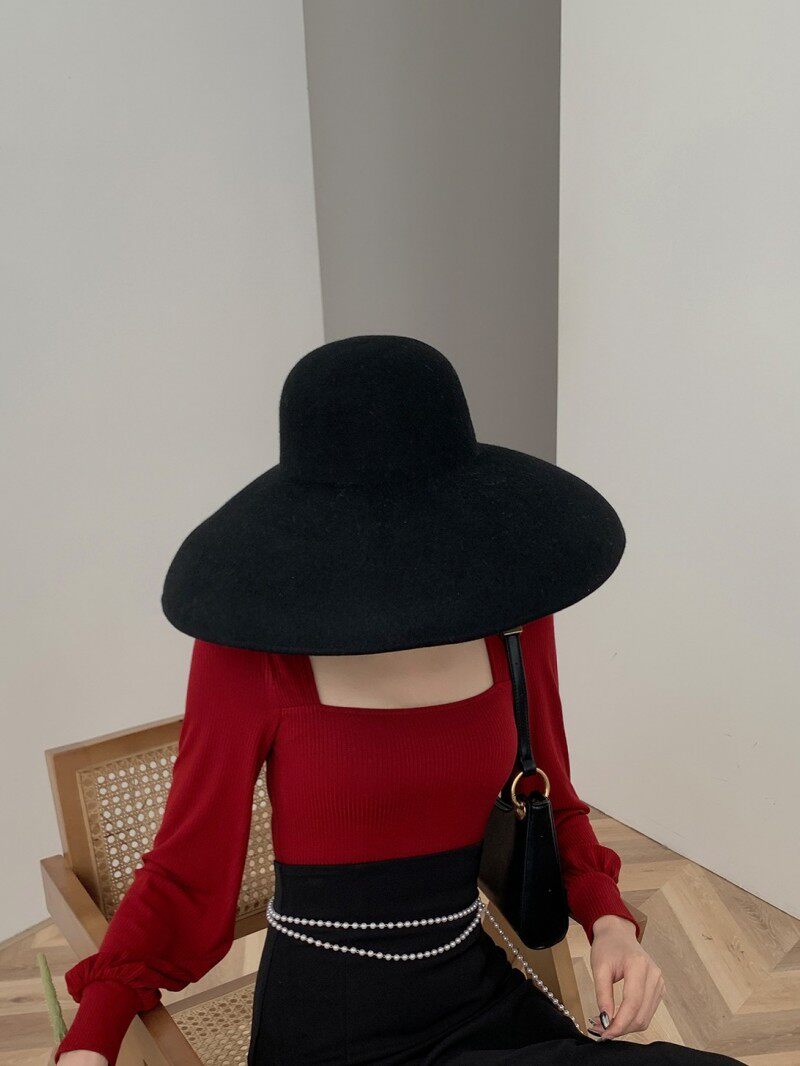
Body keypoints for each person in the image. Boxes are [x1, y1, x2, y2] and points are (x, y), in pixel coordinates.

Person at [56, 336, 739, 1065]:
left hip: (476, 993)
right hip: (330, 1030)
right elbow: (185, 872)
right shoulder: (251, 649)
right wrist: (89, 1043)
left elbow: (553, 801)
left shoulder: (512, 618)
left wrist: (610, 922)